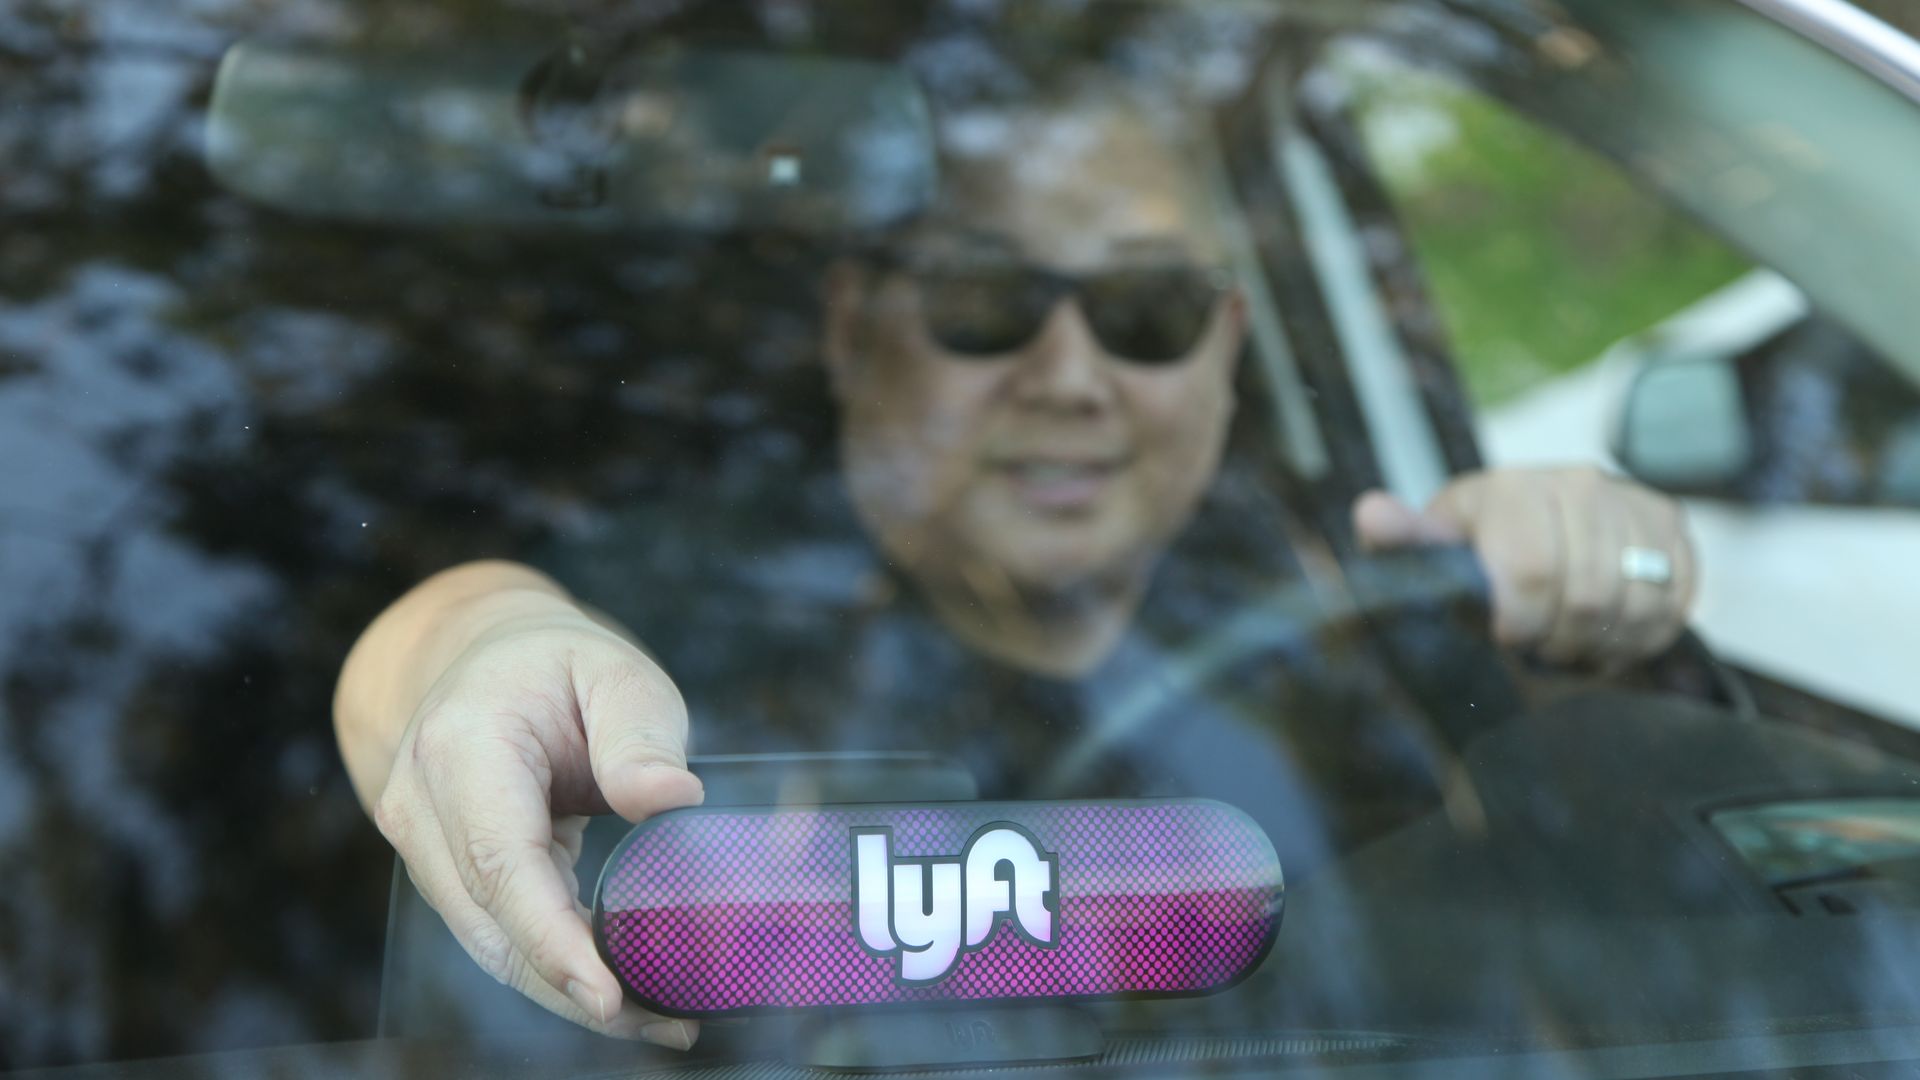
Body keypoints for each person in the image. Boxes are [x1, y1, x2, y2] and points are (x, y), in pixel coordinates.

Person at [332, 86, 1696, 1050]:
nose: (1073, 377)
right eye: (988, 304)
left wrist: (1612, 560)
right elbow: (456, 644)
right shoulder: (720, 608)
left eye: (1146, 313)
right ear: (858, 327)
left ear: (1226, 346)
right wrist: (470, 652)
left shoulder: (1350, 604)